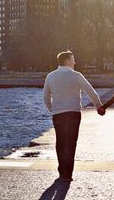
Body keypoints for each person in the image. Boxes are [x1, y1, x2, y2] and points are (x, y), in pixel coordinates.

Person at [43, 51, 105, 182]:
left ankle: (61, 171)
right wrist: (98, 106)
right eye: (73, 60)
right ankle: (68, 174)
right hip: (73, 113)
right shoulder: (77, 76)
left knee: (60, 142)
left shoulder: (50, 76)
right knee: (71, 143)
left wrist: (52, 109)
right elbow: (90, 91)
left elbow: (46, 97)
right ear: (67, 61)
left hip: (58, 113)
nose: (75, 62)